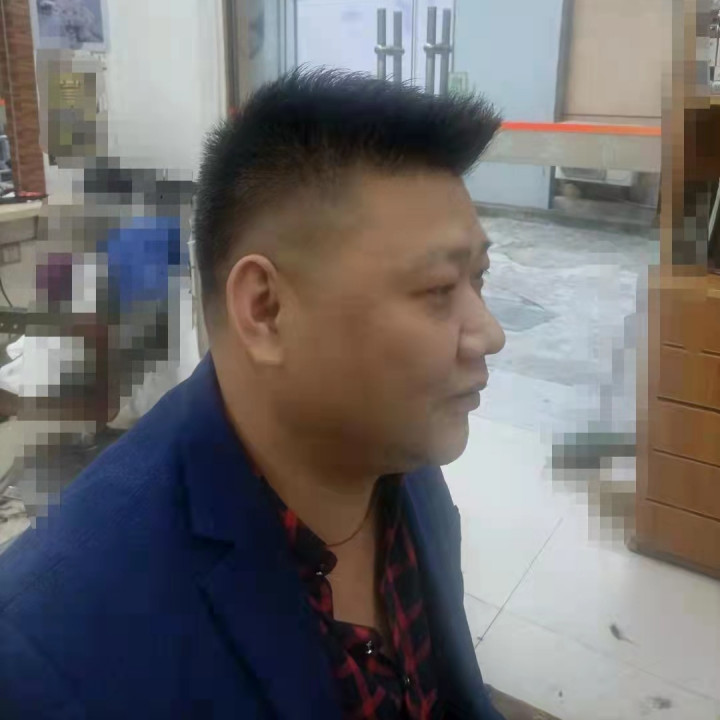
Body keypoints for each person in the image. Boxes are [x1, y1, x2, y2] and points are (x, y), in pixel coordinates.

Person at [0, 70, 506, 719]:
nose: (489, 334)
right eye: (438, 289)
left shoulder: (404, 466)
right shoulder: (54, 652)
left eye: (478, 279)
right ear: (265, 310)